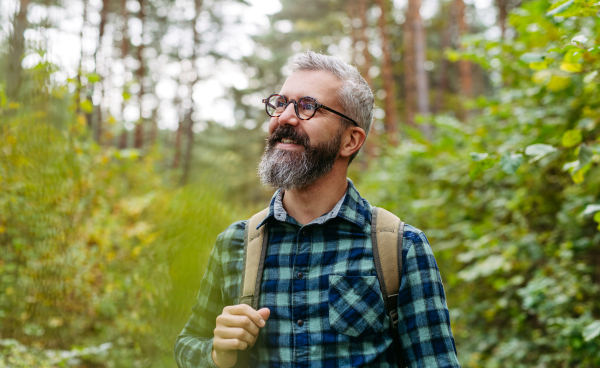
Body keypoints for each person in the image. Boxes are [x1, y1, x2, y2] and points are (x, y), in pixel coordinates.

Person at [174, 51, 460, 367]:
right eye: (280, 103)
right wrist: (217, 353)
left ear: (350, 141)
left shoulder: (401, 250)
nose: (284, 117)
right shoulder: (234, 243)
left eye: (308, 106)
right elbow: (188, 344)